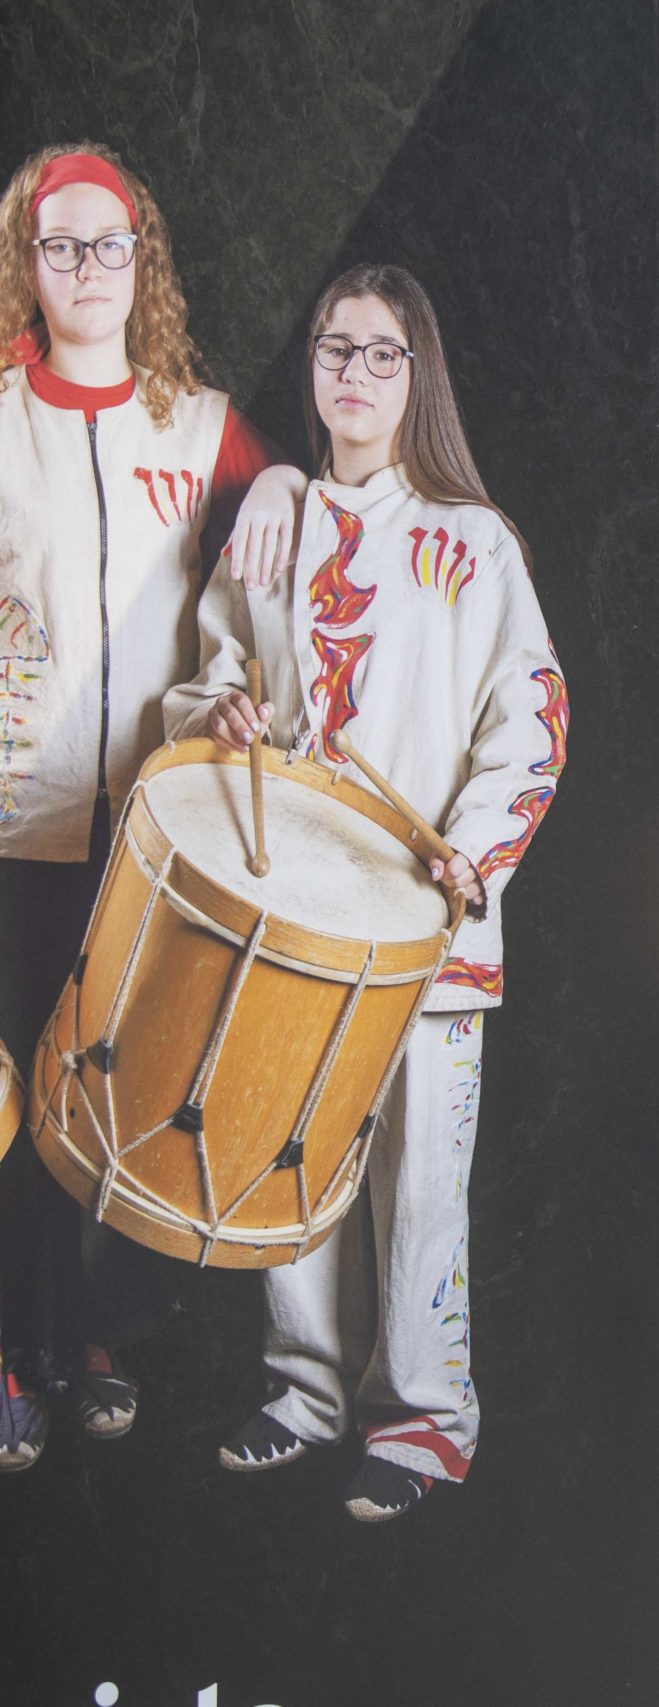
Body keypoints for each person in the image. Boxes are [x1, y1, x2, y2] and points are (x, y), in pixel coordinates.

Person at [164, 262, 567, 1522]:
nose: (353, 373)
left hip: (429, 926)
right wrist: (216, 706)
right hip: (292, 916)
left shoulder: (473, 541)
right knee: (288, 1152)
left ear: (417, 376)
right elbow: (205, 673)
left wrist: (474, 850)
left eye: (382, 354)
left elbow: (535, 720)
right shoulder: (272, 527)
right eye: (335, 349)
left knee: (420, 1186)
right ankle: (304, 1391)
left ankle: (427, 1418)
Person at [0, 141, 303, 1470]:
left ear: (143, 261)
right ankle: (12, 1348)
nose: (84, 269)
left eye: (106, 244)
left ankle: (102, 1336)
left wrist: (240, 686)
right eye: (58, 246)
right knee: (12, 1096)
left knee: (121, 1094)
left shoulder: (197, 422)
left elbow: (273, 536)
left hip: (147, 834)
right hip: (13, 823)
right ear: (27, 260)